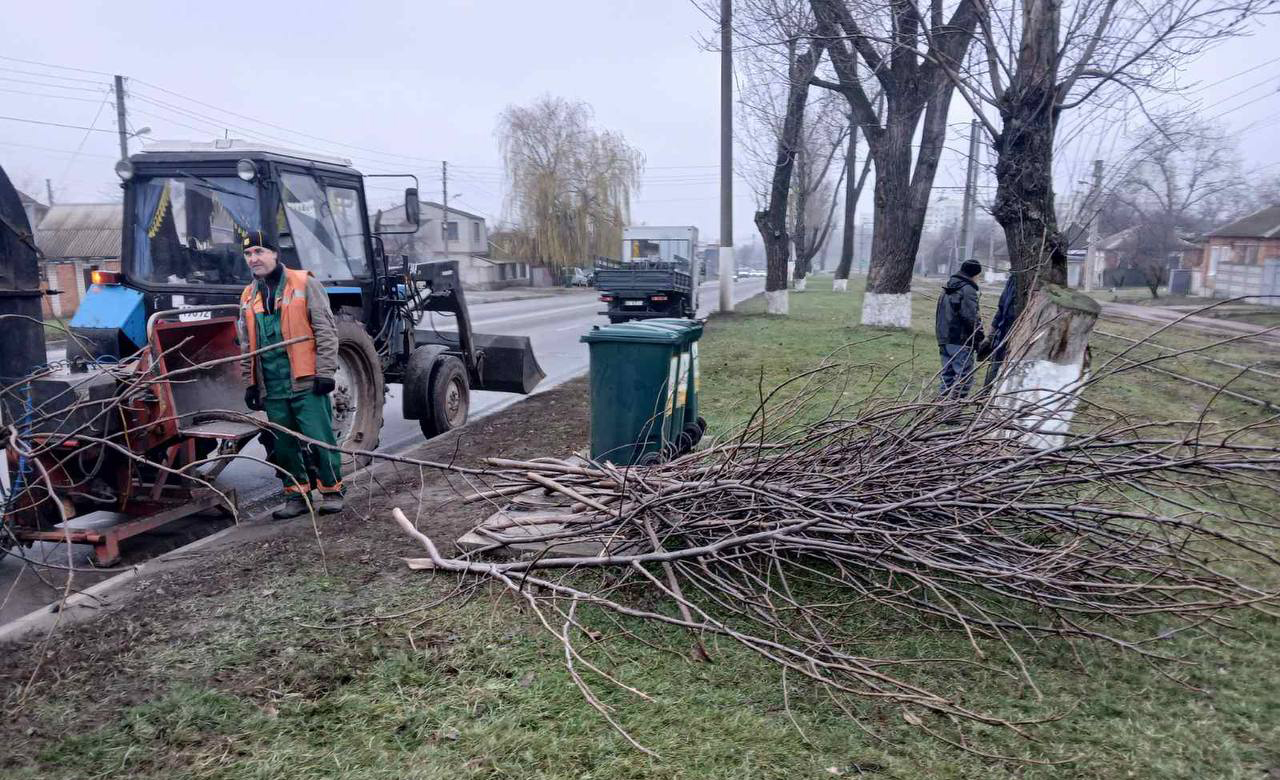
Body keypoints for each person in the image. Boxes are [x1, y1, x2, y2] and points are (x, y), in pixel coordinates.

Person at [237, 230, 345, 519]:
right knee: (283, 445)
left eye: (259, 251)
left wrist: (325, 371)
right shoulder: (248, 296)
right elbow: (247, 344)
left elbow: (326, 330)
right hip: (272, 386)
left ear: (274, 253)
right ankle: (296, 496)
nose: (253, 258)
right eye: (248, 254)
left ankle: (332, 491)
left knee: (319, 437)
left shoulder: (304, 283)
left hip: (305, 380)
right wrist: (251, 383)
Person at [934, 259, 985, 398]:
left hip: (944, 339)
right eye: (978, 275)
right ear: (975, 274)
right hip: (960, 341)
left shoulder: (949, 286)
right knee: (964, 378)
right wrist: (979, 338)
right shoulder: (968, 289)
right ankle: (953, 413)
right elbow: (970, 317)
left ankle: (939, 409)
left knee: (947, 376)